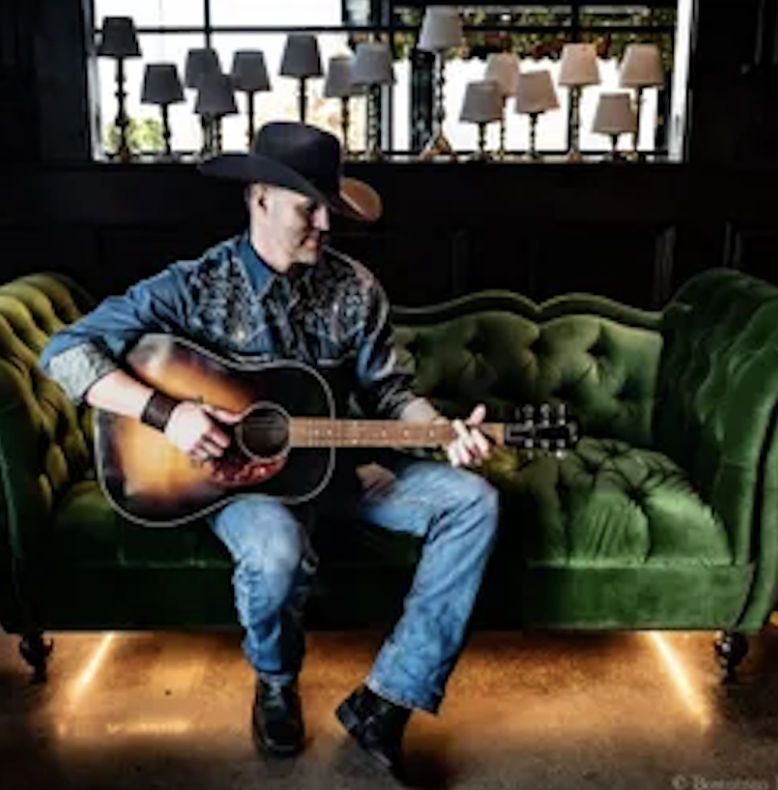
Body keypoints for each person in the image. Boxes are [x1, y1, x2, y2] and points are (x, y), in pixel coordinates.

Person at [38, 121, 499, 782]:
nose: (327, 224)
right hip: (234, 481)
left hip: (337, 468)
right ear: (259, 198)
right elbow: (63, 352)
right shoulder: (194, 285)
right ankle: (277, 682)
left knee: (474, 501)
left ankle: (387, 700)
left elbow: (390, 391)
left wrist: (441, 432)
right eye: (310, 208)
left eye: (330, 208)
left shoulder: (355, 287)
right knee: (276, 549)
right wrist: (169, 414)